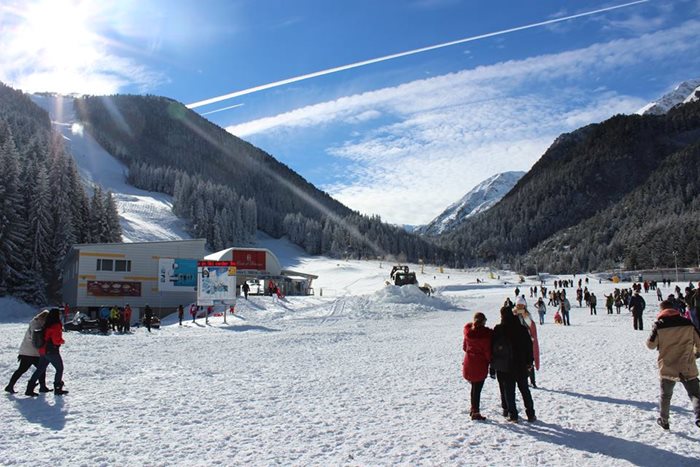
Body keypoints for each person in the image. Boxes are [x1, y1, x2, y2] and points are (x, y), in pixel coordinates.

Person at [646, 300, 700, 430]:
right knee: (695, 394)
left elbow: (650, 345)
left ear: (661, 311)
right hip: (687, 364)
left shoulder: (659, 325)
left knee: (666, 395)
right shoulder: (688, 323)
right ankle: (699, 416)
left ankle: (664, 420)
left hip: (668, 365)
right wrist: (695, 354)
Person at [491, 306, 536, 423]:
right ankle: (531, 414)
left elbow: (493, 348)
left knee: (509, 391)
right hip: (521, 364)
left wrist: (493, 365)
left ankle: (513, 415)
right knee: (525, 390)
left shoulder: (499, 329)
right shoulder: (521, 328)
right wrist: (529, 362)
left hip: (505, 366)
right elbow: (528, 346)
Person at [5, 310, 52, 394]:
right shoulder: (37, 324)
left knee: (30, 369)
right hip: (30, 352)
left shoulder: (36, 322)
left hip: (28, 351)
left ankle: (10, 386)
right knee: (36, 369)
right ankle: (42, 386)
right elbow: (35, 338)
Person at [25, 308, 68, 396]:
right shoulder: (56, 325)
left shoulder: (47, 324)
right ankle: (58, 388)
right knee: (59, 369)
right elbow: (56, 340)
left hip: (43, 350)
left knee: (40, 369)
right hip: (51, 351)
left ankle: (29, 388)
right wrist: (62, 341)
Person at [462, 312, 492, 421]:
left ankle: (473, 408)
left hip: (469, 362)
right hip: (480, 364)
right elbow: (488, 353)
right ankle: (475, 411)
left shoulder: (468, 333)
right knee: (477, 389)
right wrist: (491, 362)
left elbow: (464, 347)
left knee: (474, 387)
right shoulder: (486, 336)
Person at [514, 297, 540, 389]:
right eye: (518, 305)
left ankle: (532, 381)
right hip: (516, 341)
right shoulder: (513, 314)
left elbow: (530, 325)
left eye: (521, 305)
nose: (520, 307)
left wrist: (524, 314)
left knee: (529, 361)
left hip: (527, 341)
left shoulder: (527, 314)